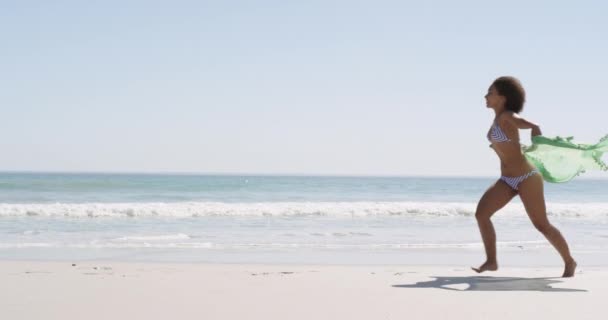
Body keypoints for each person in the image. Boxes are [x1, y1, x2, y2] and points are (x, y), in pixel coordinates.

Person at [473, 76, 577, 277]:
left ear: (502, 98)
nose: (486, 96)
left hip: (527, 177)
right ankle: (492, 261)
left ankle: (569, 261)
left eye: (490, 93)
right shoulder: (497, 119)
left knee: (541, 224)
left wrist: (537, 144)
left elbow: (531, 125)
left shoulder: (507, 116)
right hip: (507, 180)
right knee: (481, 214)